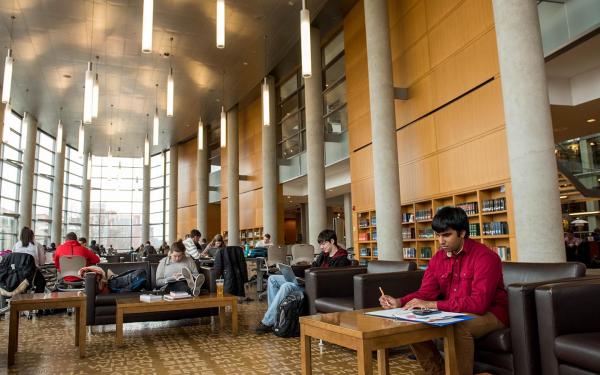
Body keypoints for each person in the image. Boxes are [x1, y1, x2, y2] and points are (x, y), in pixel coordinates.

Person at [379, 207, 507, 375]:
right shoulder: (437, 258)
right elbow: (426, 293)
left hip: (492, 313)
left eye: (446, 235)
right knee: (410, 323)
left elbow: (479, 303)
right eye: (438, 235)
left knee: (457, 327)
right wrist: (400, 302)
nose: (441, 241)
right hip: (455, 310)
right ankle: (438, 372)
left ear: (462, 233)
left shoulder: (485, 257)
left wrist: (433, 305)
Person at [255, 229, 351, 333]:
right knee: (272, 279)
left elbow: (333, 280)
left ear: (332, 241)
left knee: (287, 286)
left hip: (317, 288)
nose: (321, 247)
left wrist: (310, 278)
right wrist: (299, 273)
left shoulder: (342, 259)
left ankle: (267, 321)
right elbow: (313, 267)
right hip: (308, 282)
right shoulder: (323, 255)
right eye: (320, 244)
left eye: (324, 244)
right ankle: (275, 318)